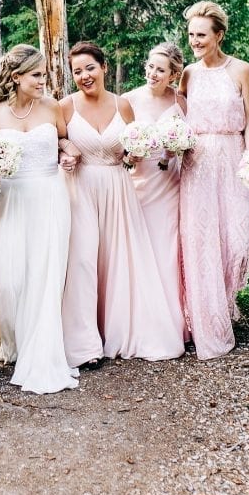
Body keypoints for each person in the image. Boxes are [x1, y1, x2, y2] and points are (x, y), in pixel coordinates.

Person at [60, 41, 185, 369]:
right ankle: (85, 345)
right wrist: (64, 148)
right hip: (81, 188)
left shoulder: (123, 106)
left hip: (118, 187)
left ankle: (116, 331)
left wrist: (136, 153)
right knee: (84, 262)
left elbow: (131, 151)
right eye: (77, 71)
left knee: (118, 261)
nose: (84, 76)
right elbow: (55, 139)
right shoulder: (65, 107)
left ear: (103, 67)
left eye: (90, 68)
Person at [0, 44, 79, 394]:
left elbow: (64, 142)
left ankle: (41, 343)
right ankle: (12, 337)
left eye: (44, 74)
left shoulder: (51, 107)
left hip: (49, 196)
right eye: (36, 75)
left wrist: (68, 154)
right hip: (12, 201)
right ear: (16, 77)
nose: (43, 81)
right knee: (10, 277)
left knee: (44, 273)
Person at [178, 1, 249, 359]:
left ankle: (223, 307)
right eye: (191, 35)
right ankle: (203, 321)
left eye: (202, 35)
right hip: (197, 162)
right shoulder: (188, 75)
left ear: (219, 35)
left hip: (233, 157)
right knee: (202, 241)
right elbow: (174, 114)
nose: (195, 41)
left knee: (235, 242)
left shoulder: (240, 69)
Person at [121, 42, 189, 342]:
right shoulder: (128, 100)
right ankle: (138, 320)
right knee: (138, 250)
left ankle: (170, 321)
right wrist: (129, 156)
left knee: (167, 249)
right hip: (138, 183)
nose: (152, 73)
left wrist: (177, 149)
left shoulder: (181, 102)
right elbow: (117, 149)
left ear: (173, 74)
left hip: (169, 184)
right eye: (150, 66)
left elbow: (190, 140)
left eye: (160, 70)